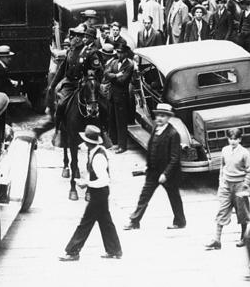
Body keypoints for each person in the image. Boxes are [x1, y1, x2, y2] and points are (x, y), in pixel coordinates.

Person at [58, 125, 122, 261]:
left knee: (85, 223)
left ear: (89, 143)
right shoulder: (98, 150)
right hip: (100, 193)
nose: (83, 144)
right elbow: (94, 175)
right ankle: (114, 250)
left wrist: (87, 184)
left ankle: (72, 251)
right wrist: (86, 180)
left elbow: (104, 180)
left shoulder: (98, 157)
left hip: (99, 193)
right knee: (105, 222)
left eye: (85, 141)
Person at [125, 103, 186, 231]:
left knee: (174, 196)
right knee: (144, 195)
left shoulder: (173, 133)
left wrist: (166, 174)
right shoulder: (155, 129)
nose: (159, 118)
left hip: (167, 173)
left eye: (163, 116)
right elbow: (151, 149)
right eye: (158, 115)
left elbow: (175, 158)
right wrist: (148, 166)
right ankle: (134, 221)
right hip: (153, 171)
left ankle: (180, 221)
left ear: (168, 118)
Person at [205, 127, 250, 250]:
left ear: (240, 139)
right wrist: (221, 182)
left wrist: (245, 185)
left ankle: (244, 237)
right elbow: (222, 166)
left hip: (239, 185)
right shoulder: (225, 150)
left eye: (235, 139)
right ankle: (217, 239)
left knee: (242, 212)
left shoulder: (244, 153)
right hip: (226, 185)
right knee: (222, 210)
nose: (232, 141)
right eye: (230, 139)